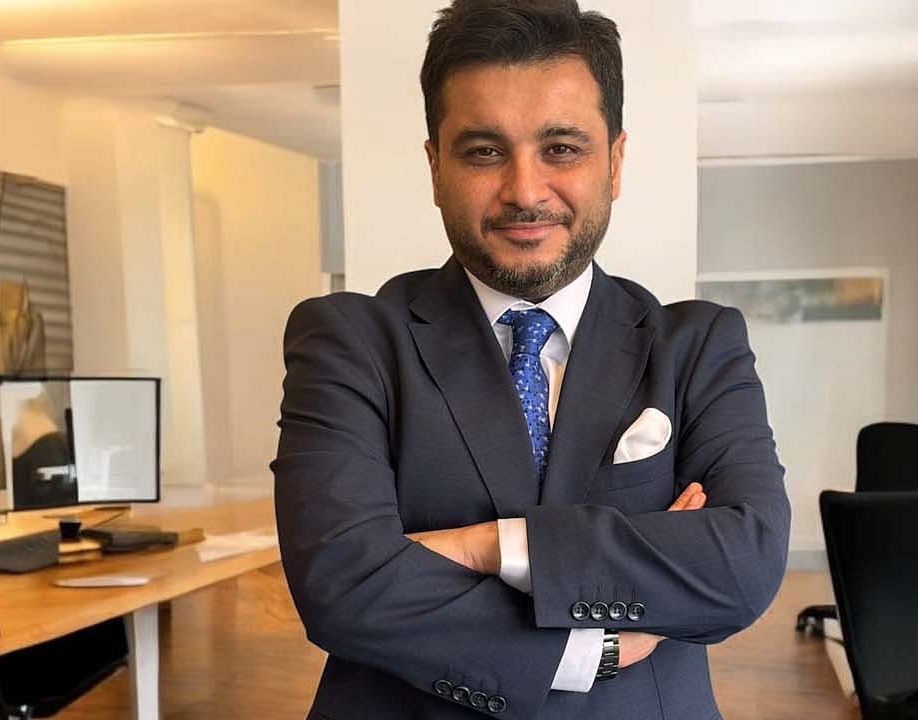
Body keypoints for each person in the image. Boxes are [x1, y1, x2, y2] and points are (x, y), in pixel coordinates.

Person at [272, 1, 789, 717]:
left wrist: (488, 546)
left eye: (562, 148)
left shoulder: (698, 345)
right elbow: (339, 584)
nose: (524, 190)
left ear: (614, 162)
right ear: (435, 167)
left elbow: (744, 565)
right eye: (484, 151)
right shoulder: (350, 341)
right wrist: (590, 649)